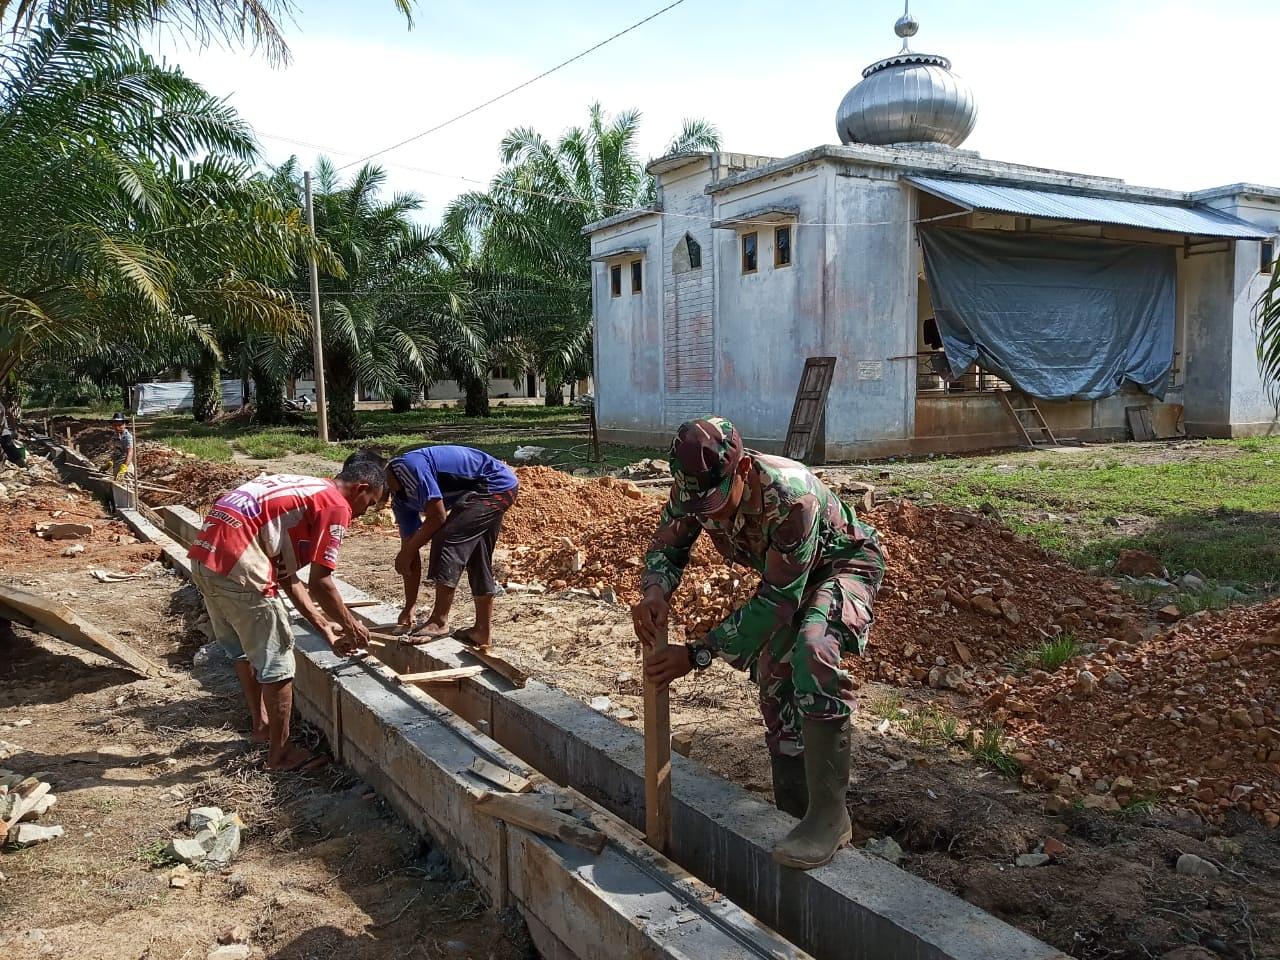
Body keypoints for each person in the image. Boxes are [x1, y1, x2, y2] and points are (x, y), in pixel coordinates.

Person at [632, 417, 885, 870]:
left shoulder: (791, 497)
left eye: (715, 503)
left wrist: (696, 653)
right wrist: (654, 589)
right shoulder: (695, 491)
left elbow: (777, 602)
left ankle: (830, 818)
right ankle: (795, 808)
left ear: (742, 469)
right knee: (773, 672)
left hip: (843, 565)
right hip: (787, 579)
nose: (709, 515)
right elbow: (668, 546)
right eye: (699, 506)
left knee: (812, 649)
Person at [187, 458, 386, 771]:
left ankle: (262, 727)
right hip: (241, 564)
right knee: (279, 661)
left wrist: (325, 629)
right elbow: (321, 583)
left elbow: (287, 575)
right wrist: (352, 626)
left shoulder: (305, 490)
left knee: (242, 648)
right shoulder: (336, 505)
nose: (363, 513)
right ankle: (279, 756)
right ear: (361, 488)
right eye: (370, 502)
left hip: (205, 558)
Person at [384, 445, 518, 646]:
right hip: (489, 489)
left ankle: (439, 621)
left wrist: (408, 551)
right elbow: (409, 553)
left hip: (494, 484)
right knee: (477, 554)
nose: (373, 503)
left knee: (447, 538)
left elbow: (437, 517)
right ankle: (482, 631)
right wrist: (409, 606)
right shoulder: (401, 500)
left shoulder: (409, 466)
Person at [110, 412, 134, 479]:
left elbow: (130, 452)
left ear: (124, 425)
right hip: (117, 465)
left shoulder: (127, 437)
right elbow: (116, 451)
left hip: (125, 466)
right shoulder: (115, 436)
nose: (117, 428)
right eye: (115, 426)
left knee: (127, 486)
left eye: (120, 425)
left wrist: (124, 467)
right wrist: (110, 462)